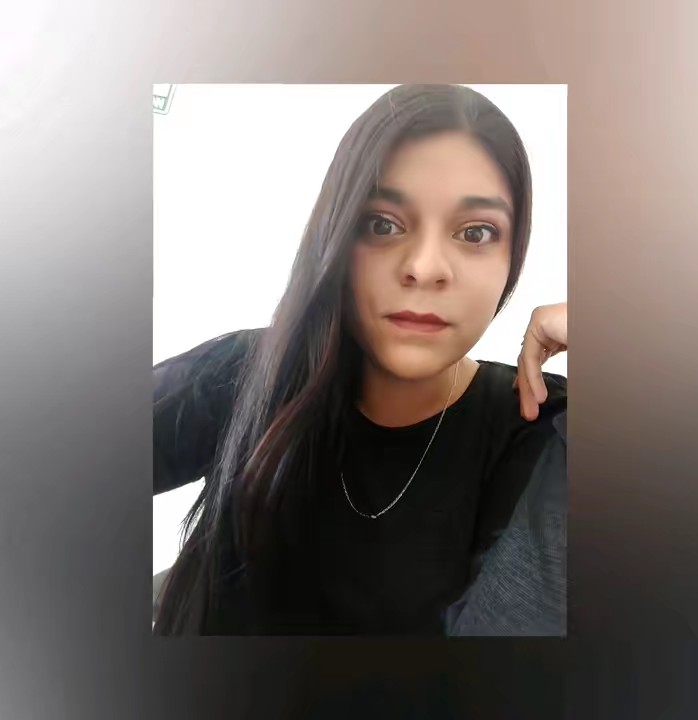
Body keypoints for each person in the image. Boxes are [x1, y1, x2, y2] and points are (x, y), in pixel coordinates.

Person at [152, 84, 568, 636]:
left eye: (475, 232)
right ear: (336, 236)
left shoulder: (542, 428)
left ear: (512, 257)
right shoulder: (248, 370)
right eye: (382, 224)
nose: (425, 268)